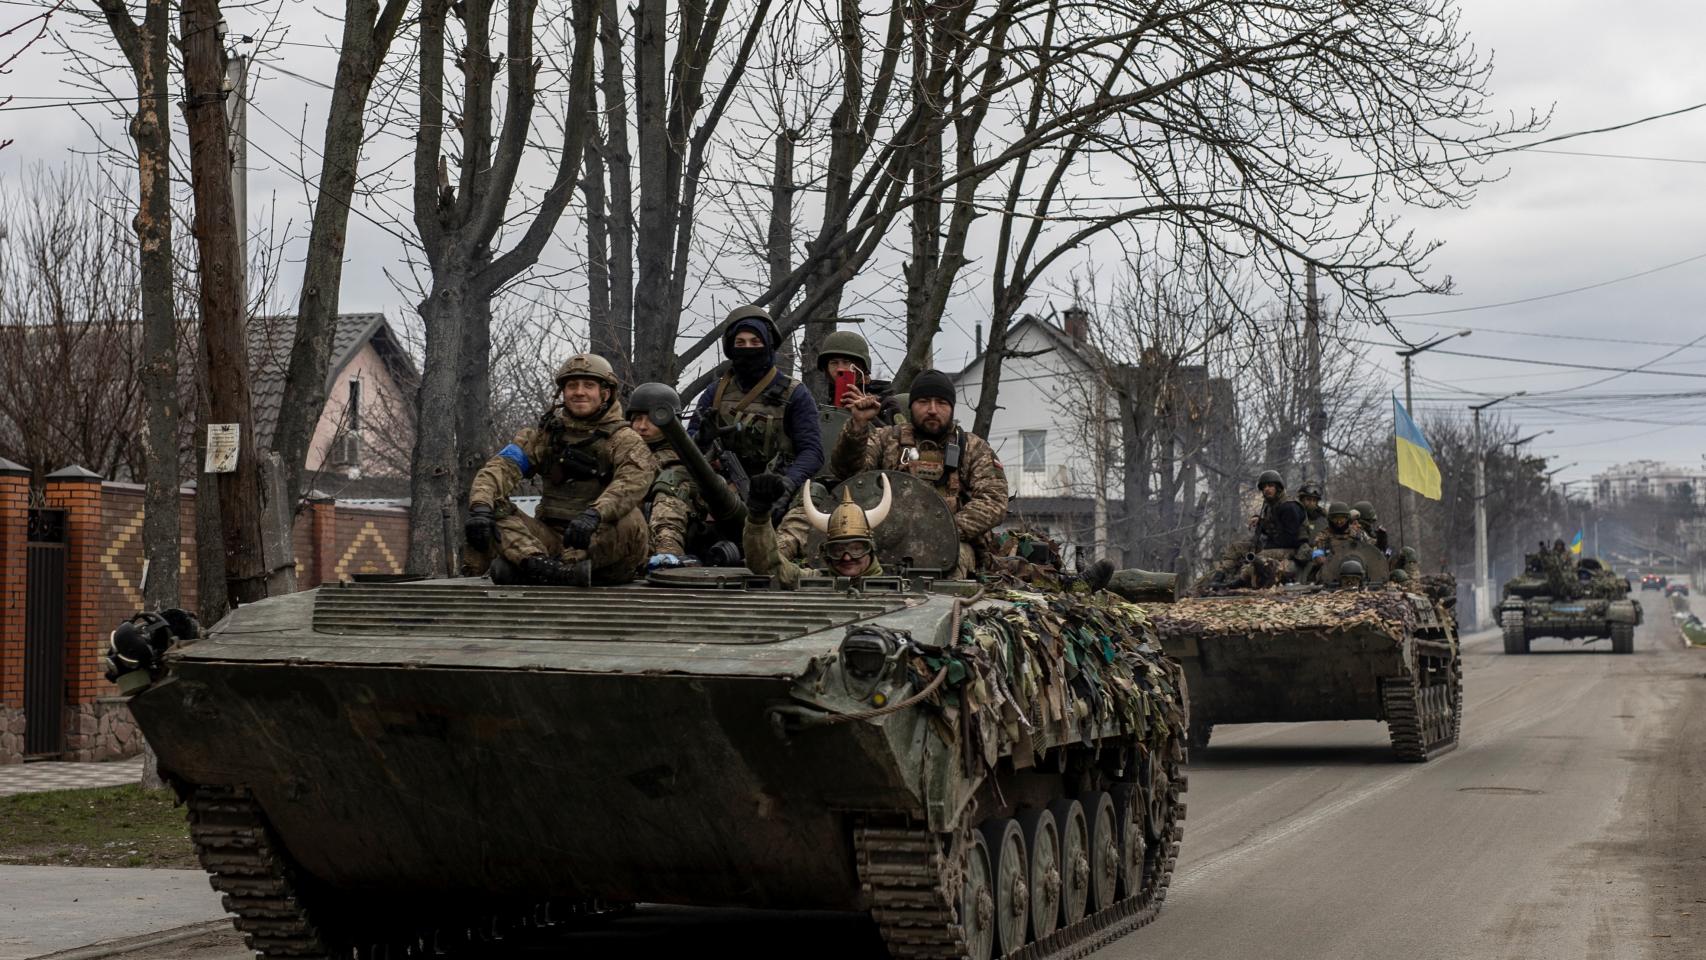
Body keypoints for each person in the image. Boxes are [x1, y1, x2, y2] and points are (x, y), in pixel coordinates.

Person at [466, 353, 656, 586]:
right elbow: (500, 468)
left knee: (632, 517)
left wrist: (594, 515)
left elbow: (633, 481)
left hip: (604, 547)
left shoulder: (625, 440)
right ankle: (544, 567)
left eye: (588, 385)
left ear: (605, 393)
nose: (579, 392)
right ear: (562, 393)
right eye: (571, 385)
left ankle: (532, 570)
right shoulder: (544, 437)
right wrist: (481, 508)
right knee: (494, 506)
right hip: (551, 542)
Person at [831, 369, 1008, 577]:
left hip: (949, 543)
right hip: (883, 540)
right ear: (911, 405)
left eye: (941, 403)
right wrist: (858, 426)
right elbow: (849, 473)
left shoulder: (973, 448)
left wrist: (942, 530)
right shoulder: (885, 439)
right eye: (924, 401)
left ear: (951, 408)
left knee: (949, 565)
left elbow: (993, 500)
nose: (932, 409)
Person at [691, 305, 823, 521]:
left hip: (775, 490)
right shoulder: (716, 392)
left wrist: (786, 485)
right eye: (740, 343)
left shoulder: (795, 394)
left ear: (768, 345)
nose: (748, 348)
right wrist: (700, 440)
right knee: (674, 479)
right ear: (731, 348)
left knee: (813, 493)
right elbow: (690, 443)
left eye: (755, 342)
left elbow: (812, 452)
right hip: (722, 488)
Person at [743, 472, 888, 588]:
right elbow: (770, 567)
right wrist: (758, 516)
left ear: (870, 550)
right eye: (837, 550)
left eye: (856, 549)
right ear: (827, 554)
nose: (846, 557)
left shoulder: (898, 587)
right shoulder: (814, 582)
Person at [629, 409, 710, 563]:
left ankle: (668, 553)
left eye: (652, 420)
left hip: (678, 526)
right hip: (629, 533)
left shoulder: (680, 456)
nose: (642, 426)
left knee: (669, 484)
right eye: (638, 419)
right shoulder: (619, 450)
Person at [1252, 470, 1307, 552]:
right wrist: (1260, 522)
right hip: (1276, 545)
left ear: (1278, 488)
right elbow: (1272, 528)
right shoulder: (1270, 506)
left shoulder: (1289, 506)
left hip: (1293, 549)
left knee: (1256, 559)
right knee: (1237, 548)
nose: (1266, 489)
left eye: (1270, 485)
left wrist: (1265, 545)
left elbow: (1290, 539)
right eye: (1264, 487)